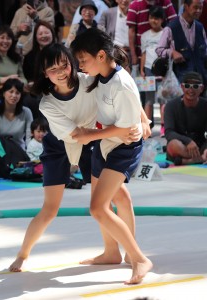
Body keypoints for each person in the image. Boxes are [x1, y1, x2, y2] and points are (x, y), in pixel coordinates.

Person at [8, 43, 151, 284]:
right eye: (53, 69)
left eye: (64, 64)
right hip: (63, 145)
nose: (61, 71)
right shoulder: (47, 103)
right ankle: (22, 254)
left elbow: (125, 93)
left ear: (72, 62)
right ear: (45, 73)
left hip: (95, 142)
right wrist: (120, 130)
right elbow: (77, 134)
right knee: (50, 209)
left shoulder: (90, 80)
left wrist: (143, 119)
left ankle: (120, 253)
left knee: (120, 198)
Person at [71, 28, 153, 284]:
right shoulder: (103, 74)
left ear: (101, 55)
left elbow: (127, 130)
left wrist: (88, 136)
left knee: (98, 207)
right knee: (119, 196)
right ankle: (112, 252)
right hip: (105, 143)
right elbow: (133, 103)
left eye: (83, 60)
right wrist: (144, 117)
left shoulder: (122, 83)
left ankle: (139, 258)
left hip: (123, 148)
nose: (81, 65)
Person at [0, 78, 33, 166]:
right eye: (11, 91)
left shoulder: (26, 112)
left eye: (17, 93)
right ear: (3, 93)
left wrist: (30, 156)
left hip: (20, 153)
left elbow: (29, 138)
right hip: (0, 152)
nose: (14, 95)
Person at [156, 0, 207, 85]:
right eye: (195, 7)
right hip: (180, 81)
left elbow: (205, 50)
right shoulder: (171, 28)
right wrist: (171, 52)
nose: (198, 11)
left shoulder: (200, 27)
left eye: (200, 8)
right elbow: (159, 49)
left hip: (200, 80)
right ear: (186, 6)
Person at [164, 71, 207, 165]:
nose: (191, 90)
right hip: (181, 146)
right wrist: (188, 141)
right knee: (173, 144)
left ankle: (186, 161)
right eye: (187, 86)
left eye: (195, 86)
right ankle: (200, 159)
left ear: (201, 88)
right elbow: (168, 132)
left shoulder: (205, 105)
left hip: (200, 145)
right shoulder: (171, 105)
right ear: (182, 87)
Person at [22, 20, 57, 119]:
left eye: (46, 33)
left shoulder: (61, 52)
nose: (43, 36)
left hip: (57, 89)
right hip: (37, 91)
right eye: (40, 34)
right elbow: (28, 77)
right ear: (35, 37)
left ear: (52, 34)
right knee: (29, 101)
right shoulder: (29, 56)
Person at [126, 0, 177, 67]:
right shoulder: (134, 5)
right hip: (142, 56)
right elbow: (131, 32)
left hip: (164, 59)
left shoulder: (166, 2)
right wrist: (133, 56)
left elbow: (174, 25)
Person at [140, 6, 165, 133]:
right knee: (149, 100)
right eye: (151, 18)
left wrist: (167, 71)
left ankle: (164, 128)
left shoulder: (166, 33)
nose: (153, 21)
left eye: (156, 18)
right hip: (148, 70)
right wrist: (142, 69)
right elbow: (143, 53)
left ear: (162, 20)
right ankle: (146, 127)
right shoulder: (144, 36)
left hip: (162, 70)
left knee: (162, 99)